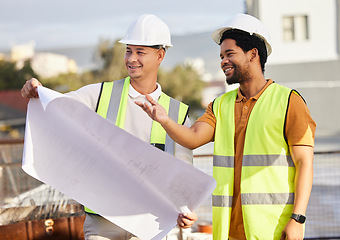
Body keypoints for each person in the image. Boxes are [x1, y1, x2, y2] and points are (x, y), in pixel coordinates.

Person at [136, 13, 316, 240]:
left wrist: (297, 219)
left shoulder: (289, 101)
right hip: (228, 232)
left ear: (253, 54)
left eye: (230, 54)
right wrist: (165, 120)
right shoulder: (220, 105)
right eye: (221, 56)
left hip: (274, 229)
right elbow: (192, 137)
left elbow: (305, 163)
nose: (223, 61)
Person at [21, 14, 197, 240]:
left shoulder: (177, 113)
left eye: (140, 52)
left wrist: (185, 209)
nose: (131, 58)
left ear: (160, 55)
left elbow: (184, 176)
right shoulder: (100, 93)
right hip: (102, 224)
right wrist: (37, 90)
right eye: (128, 51)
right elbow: (58, 105)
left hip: (149, 225)